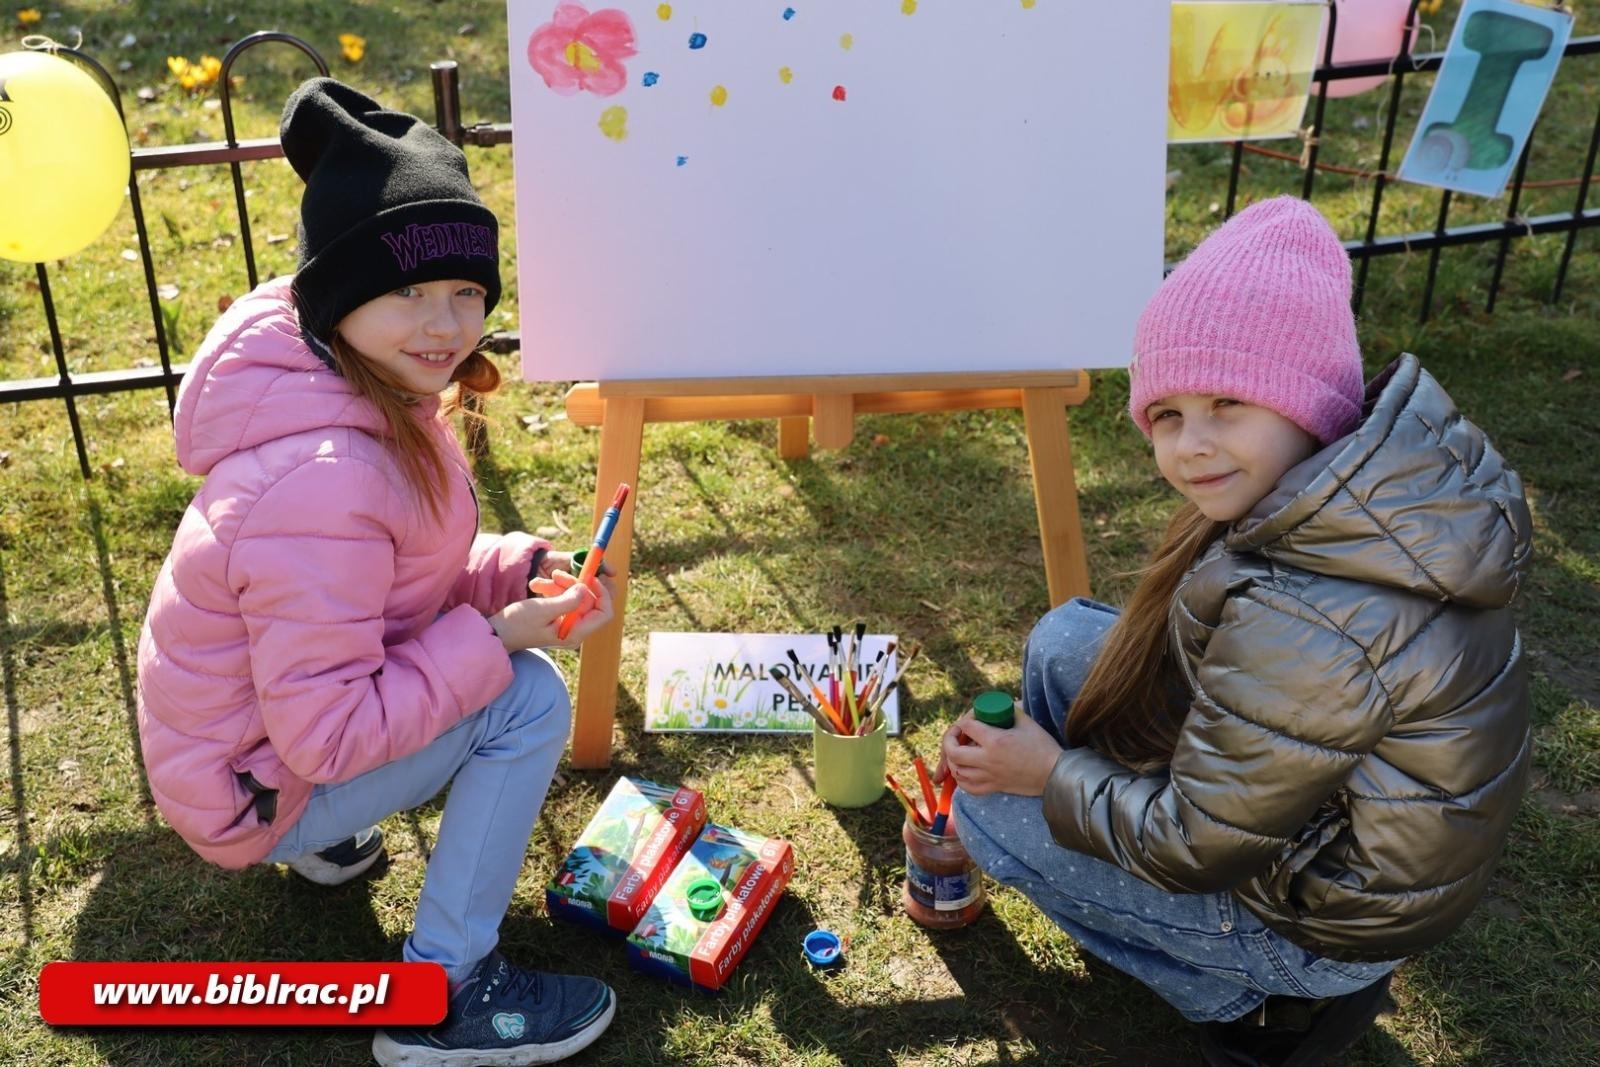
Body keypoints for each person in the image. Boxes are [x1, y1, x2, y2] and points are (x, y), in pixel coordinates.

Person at [939, 197, 1532, 1067]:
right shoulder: (1349, 491)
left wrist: (1046, 772)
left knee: (984, 810)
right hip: (1322, 825)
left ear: (1309, 402)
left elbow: (1195, 844)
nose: (1192, 445)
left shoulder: (1311, 607)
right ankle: (1093, 834)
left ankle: (1250, 1000)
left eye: (1228, 402)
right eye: (1168, 414)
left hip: (1314, 926)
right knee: (1066, 636)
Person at [136, 77, 619, 1066]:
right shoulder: (326, 475)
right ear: (341, 295)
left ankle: (326, 843)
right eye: (408, 288)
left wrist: (511, 572)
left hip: (250, 747)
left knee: (500, 670)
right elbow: (330, 732)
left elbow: (393, 577)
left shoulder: (358, 387)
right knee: (524, 699)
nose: (445, 321)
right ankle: (443, 994)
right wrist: (494, 641)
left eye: (466, 290)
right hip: (261, 780)